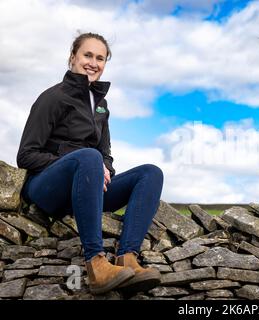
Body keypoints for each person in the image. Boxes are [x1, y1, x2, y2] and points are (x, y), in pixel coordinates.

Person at [17, 33, 164, 294]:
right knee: (89, 156)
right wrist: (87, 162)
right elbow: (26, 155)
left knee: (151, 173)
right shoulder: (52, 97)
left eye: (100, 58)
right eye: (87, 55)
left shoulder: (101, 106)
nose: (93, 63)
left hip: (86, 189)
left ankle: (128, 259)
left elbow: (105, 153)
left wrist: (104, 168)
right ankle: (97, 264)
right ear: (73, 57)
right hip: (47, 188)